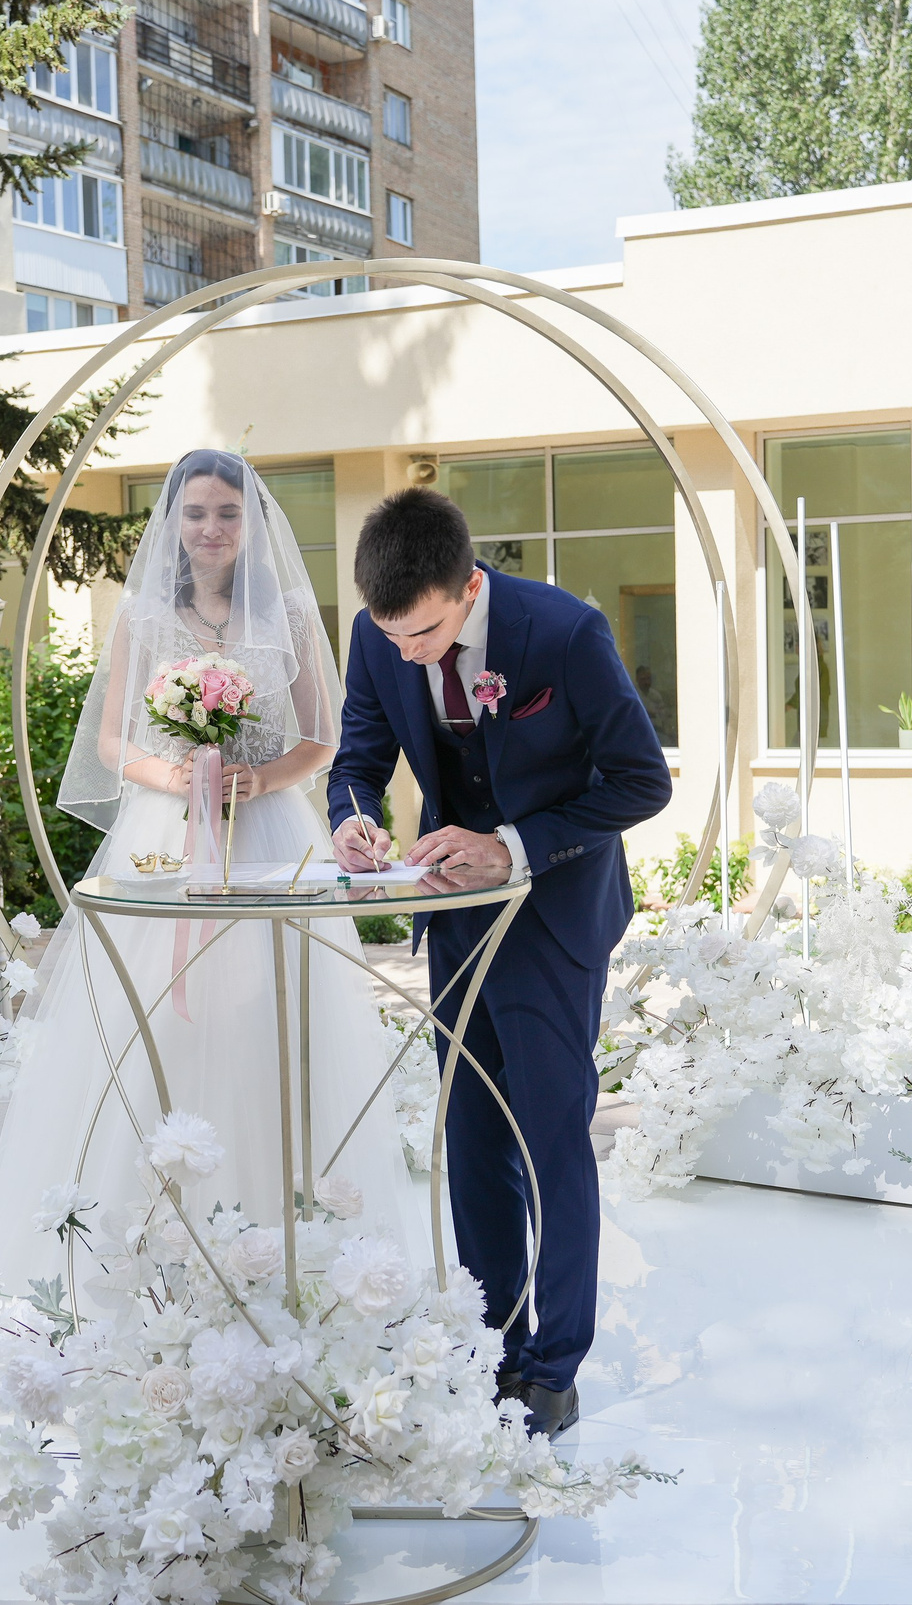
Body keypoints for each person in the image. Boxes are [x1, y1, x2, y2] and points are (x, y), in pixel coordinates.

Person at [0, 450, 426, 1295]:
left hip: (267, 835)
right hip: (165, 836)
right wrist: (179, 777)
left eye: (228, 513)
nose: (211, 528)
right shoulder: (143, 614)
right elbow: (110, 743)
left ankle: (286, 1252)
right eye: (196, 512)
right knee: (156, 1028)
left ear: (251, 523)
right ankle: (144, 1255)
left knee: (270, 1020)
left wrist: (259, 780)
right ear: (174, 523)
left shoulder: (282, 612)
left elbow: (322, 737)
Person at [328, 489, 672, 1437]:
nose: (409, 652)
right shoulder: (378, 634)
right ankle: (493, 1344)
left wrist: (513, 844)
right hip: (456, 922)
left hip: (555, 913)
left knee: (550, 1138)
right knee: (472, 1138)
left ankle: (555, 1367)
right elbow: (357, 754)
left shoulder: (564, 632)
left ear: (467, 585)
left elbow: (642, 781)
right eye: (394, 637)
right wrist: (353, 816)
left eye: (427, 633)